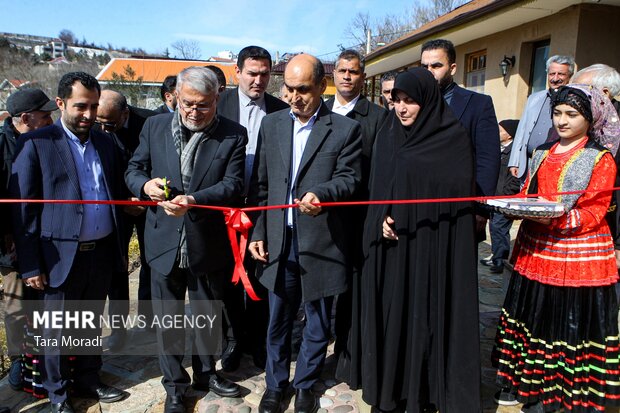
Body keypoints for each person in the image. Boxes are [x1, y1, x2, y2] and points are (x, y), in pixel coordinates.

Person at [358, 67, 480, 413]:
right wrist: (379, 217)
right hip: (394, 249)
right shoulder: (389, 133)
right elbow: (378, 186)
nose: (402, 108)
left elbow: (456, 194)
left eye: (410, 101)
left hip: (431, 248)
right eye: (397, 100)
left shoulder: (452, 138)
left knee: (426, 320)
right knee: (395, 321)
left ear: (427, 101)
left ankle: (427, 390)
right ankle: (392, 389)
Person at [125, 66, 246, 413]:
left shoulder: (233, 135)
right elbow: (134, 169)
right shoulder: (155, 126)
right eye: (188, 103)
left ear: (217, 99)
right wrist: (144, 186)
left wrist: (194, 200)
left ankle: (206, 374)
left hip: (205, 238)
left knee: (208, 312)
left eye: (203, 105)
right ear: (176, 96)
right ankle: (175, 386)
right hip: (163, 238)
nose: (194, 112)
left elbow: (233, 185)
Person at [493, 85, 620, 413]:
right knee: (533, 318)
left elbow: (596, 210)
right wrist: (515, 205)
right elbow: (529, 192)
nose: (562, 121)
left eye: (572, 115)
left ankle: (559, 394)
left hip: (575, 258)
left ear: (591, 119)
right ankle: (526, 384)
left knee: (564, 324)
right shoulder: (543, 152)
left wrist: (554, 218)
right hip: (536, 251)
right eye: (558, 113)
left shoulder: (600, 159)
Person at [248, 53, 362, 413]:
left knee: (317, 320)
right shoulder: (273, 124)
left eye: (303, 90)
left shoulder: (345, 130)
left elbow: (350, 179)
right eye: (289, 88)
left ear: (321, 87)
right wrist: (258, 232)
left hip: (321, 241)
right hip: (280, 242)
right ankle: (274, 384)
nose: (294, 96)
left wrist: (323, 194)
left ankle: (306, 385)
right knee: (278, 319)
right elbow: (262, 185)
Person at [10, 72, 126, 413]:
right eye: (80, 107)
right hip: (57, 255)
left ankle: (89, 378)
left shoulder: (105, 142)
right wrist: (30, 263)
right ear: (61, 104)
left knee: (89, 321)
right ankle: (58, 394)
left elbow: (115, 192)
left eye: (93, 106)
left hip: (101, 250)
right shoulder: (37, 143)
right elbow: (24, 211)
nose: (89, 115)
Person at [217, 45, 289, 371]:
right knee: (227, 281)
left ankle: (259, 342)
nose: (259, 80)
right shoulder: (218, 105)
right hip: (223, 210)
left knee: (261, 278)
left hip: (263, 208)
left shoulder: (281, 110)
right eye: (252, 73)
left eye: (264, 74)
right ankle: (231, 341)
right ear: (237, 72)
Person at [324, 48, 387, 366]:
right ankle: (316, 344)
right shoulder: (318, 111)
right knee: (321, 284)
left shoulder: (377, 117)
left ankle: (346, 348)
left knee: (351, 284)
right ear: (333, 75)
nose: (347, 76)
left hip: (358, 215)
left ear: (363, 77)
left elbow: (381, 169)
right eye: (342, 70)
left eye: (354, 71)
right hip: (320, 214)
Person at [0, 88, 57, 395]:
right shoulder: (2, 145)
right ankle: (18, 362)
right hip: (11, 249)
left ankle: (46, 363)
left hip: (43, 239)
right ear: (25, 119)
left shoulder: (47, 140)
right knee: (17, 308)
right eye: (45, 115)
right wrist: (7, 237)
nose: (51, 120)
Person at [420, 39, 500, 238]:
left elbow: (487, 159)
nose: (429, 71)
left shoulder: (478, 104)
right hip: (419, 207)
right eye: (424, 66)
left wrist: (481, 209)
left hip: (462, 207)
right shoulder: (411, 105)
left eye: (436, 65)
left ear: (452, 68)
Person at [96, 89, 156, 350]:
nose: (103, 129)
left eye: (109, 123)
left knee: (151, 261)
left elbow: (159, 164)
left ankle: (148, 316)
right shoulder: (95, 127)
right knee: (116, 267)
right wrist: (122, 199)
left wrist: (144, 199)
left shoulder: (151, 123)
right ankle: (117, 328)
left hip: (147, 203)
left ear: (125, 114)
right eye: (99, 123)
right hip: (115, 204)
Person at [508, 55, 575, 180]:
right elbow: (521, 131)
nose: (555, 78)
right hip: (528, 163)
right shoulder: (534, 98)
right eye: (552, 74)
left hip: (555, 164)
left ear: (570, 76)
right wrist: (515, 161)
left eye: (561, 74)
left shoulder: (574, 100)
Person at [480, 119, 521, 273]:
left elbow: (515, 179)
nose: (497, 133)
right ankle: (495, 255)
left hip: (505, 198)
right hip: (495, 197)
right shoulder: (499, 150)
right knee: (494, 227)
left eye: (500, 130)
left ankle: (500, 261)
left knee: (499, 227)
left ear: (510, 135)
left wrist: (507, 194)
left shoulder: (514, 154)